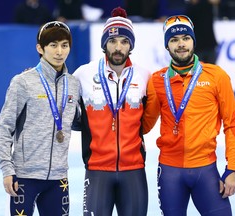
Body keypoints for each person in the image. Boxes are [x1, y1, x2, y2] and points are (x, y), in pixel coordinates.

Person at [143, 15, 235, 215]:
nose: (181, 44)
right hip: (170, 171)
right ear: (166, 46)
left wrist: (231, 169)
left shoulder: (216, 76)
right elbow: (144, 125)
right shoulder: (156, 80)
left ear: (193, 41)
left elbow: (232, 124)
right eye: (174, 40)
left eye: (185, 38)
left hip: (205, 169)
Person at [0, 21, 80, 215]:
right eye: (53, 45)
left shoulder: (74, 84)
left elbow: (77, 121)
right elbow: (5, 127)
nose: (59, 51)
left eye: (64, 45)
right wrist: (7, 169)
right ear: (40, 48)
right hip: (25, 177)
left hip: (58, 178)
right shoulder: (23, 82)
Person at [73, 7, 150, 216]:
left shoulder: (144, 77)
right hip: (97, 170)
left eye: (124, 42)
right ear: (104, 44)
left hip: (134, 170)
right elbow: (64, 106)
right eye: (113, 41)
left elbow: (149, 119)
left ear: (131, 46)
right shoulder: (83, 74)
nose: (118, 48)